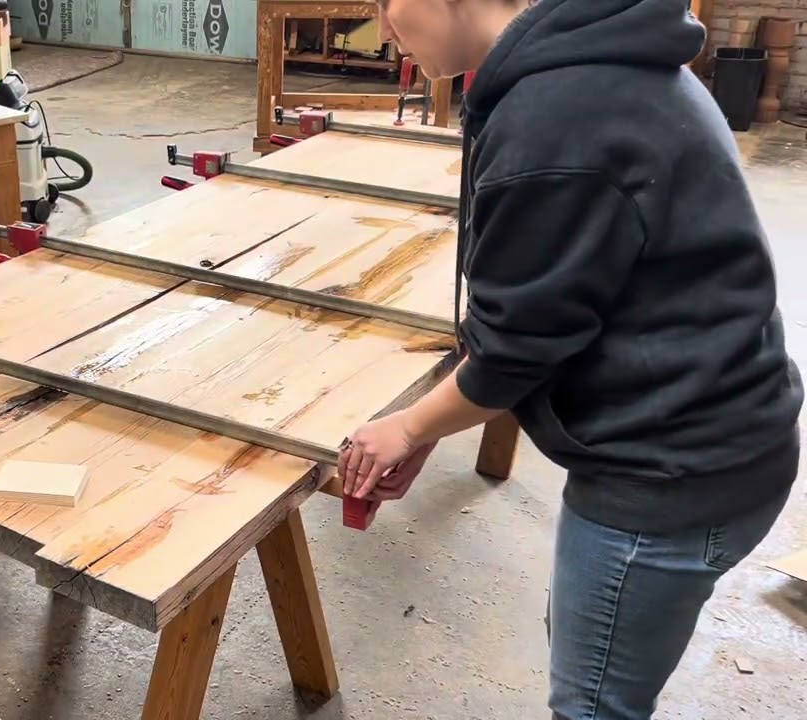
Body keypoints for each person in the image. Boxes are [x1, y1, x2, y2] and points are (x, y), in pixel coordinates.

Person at [339, 1, 802, 718]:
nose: (380, 25)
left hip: (673, 471)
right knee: (595, 646)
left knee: (593, 705)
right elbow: (542, 304)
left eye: (384, 0)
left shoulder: (553, 113)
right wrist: (440, 417)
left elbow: (519, 348)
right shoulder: (591, 62)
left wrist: (408, 424)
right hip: (719, 431)